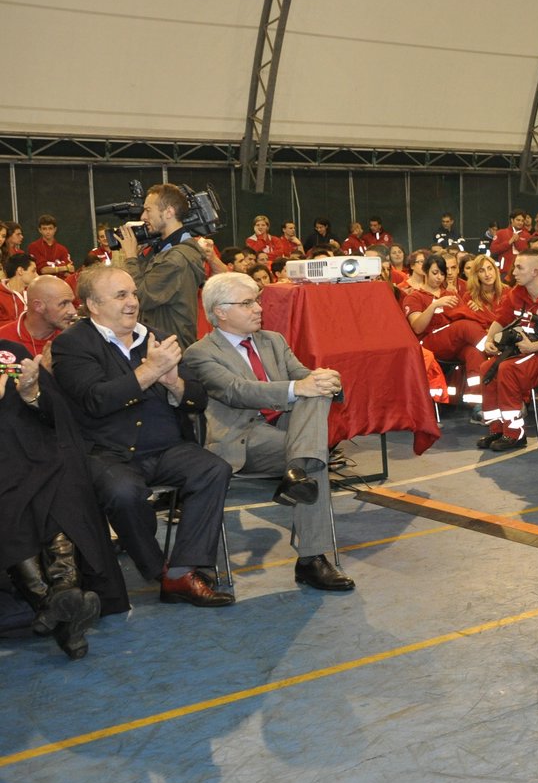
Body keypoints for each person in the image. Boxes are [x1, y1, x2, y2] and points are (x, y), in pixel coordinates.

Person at [49, 266, 234, 605]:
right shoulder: (71, 345)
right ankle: (160, 572)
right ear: (93, 304)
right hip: (107, 453)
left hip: (166, 447)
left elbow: (198, 397)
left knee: (214, 469)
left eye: (133, 293)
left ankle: (182, 571)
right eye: (121, 296)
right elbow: (96, 399)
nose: (132, 302)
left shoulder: (157, 336)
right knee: (123, 492)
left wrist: (173, 383)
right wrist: (150, 370)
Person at [183, 273, 353, 593]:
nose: (258, 308)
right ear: (220, 311)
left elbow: (304, 377)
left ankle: (297, 469)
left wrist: (329, 380)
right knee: (314, 456)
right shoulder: (200, 353)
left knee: (314, 398)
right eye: (247, 303)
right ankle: (311, 560)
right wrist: (301, 386)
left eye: (257, 300)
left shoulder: (273, 340)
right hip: (243, 438)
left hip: (287, 431)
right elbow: (237, 391)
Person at [1, 338, 126, 659]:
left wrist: (32, 394)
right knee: (12, 491)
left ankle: (59, 597)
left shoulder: (9, 351)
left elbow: (54, 411)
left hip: (33, 452)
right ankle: (59, 601)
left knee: (59, 475)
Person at [479, 249, 538, 451]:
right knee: (487, 368)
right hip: (526, 352)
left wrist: (533, 346)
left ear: (535, 272)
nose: (513, 272)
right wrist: (489, 340)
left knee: (508, 369)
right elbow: (501, 320)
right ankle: (496, 429)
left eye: (519, 267)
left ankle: (515, 434)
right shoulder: (516, 293)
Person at [115, 182, 212, 347]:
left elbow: (140, 298)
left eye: (148, 210)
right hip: (160, 343)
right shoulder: (164, 249)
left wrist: (131, 257)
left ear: (169, 212)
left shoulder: (176, 258)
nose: (143, 217)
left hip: (169, 348)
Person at [403, 253, 490, 408]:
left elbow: (464, 315)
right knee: (464, 326)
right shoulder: (414, 297)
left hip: (454, 341)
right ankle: (493, 350)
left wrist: (473, 309)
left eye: (442, 274)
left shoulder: (451, 294)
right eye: (435, 273)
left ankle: (476, 403)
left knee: (474, 353)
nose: (439, 278)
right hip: (429, 342)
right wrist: (434, 305)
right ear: (425, 271)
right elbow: (417, 327)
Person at [0, 275, 77, 357]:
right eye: (63, 304)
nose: (73, 311)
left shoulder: (74, 340)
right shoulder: (3, 338)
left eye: (71, 302)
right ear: (38, 306)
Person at [28, 214, 74, 279]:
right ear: (39, 230)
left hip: (60, 283)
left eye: (50, 228)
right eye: (44, 229)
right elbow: (43, 270)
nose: (48, 232)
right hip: (41, 284)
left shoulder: (62, 249)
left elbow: (71, 270)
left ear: (55, 229)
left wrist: (56, 269)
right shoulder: (34, 246)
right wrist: (64, 268)